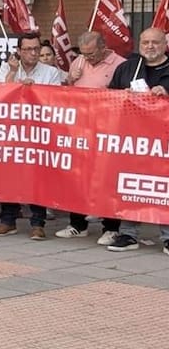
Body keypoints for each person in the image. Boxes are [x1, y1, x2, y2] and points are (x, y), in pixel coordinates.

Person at [0, 31, 62, 240]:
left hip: (38, 132)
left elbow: (56, 99)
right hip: (12, 131)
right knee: (9, 174)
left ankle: (37, 223)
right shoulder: (7, 67)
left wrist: (35, 90)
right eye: (28, 49)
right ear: (19, 51)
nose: (33, 53)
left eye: (36, 49)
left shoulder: (51, 72)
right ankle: (8, 220)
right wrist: (13, 74)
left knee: (37, 176)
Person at [106, 27, 169, 255]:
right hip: (132, 141)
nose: (150, 46)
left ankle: (167, 236)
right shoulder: (127, 68)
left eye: (155, 42)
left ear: (165, 45)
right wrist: (122, 96)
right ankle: (128, 234)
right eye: (145, 42)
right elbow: (108, 99)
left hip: (164, 142)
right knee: (130, 185)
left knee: (164, 187)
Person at [57, 31, 125, 243]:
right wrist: (71, 79)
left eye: (91, 53)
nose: (87, 58)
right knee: (77, 177)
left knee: (107, 178)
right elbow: (67, 94)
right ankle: (77, 224)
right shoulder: (78, 62)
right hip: (80, 129)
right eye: (84, 53)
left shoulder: (120, 64)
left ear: (103, 47)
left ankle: (111, 227)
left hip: (107, 130)